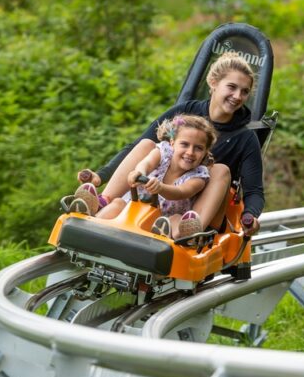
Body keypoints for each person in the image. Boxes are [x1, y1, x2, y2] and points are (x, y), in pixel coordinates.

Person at [76, 50, 263, 236]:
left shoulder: (246, 137)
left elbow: (254, 190)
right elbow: (137, 149)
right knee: (147, 145)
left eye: (244, 92)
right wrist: (101, 176)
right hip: (155, 195)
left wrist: (250, 215)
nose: (238, 96)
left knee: (220, 169)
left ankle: (190, 231)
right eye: (232, 87)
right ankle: (102, 202)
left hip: (195, 203)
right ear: (213, 82)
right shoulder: (184, 113)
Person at [71, 114, 217, 238]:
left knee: (176, 219)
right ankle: (90, 223)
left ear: (205, 152)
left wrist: (160, 188)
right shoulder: (163, 152)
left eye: (198, 148)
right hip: (133, 209)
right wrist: (139, 173)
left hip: (161, 220)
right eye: (184, 144)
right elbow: (146, 163)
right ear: (172, 143)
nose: (190, 152)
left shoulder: (199, 175)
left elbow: (182, 192)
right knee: (118, 203)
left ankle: (179, 238)